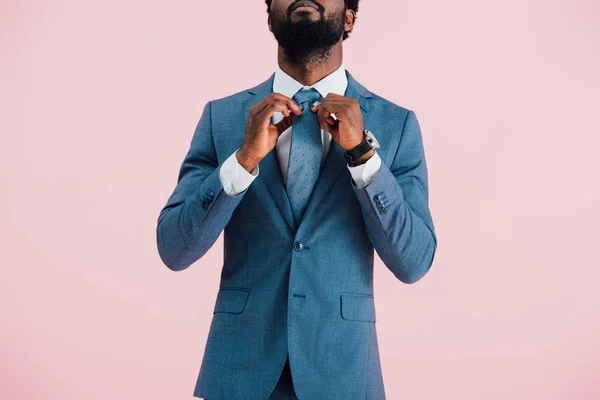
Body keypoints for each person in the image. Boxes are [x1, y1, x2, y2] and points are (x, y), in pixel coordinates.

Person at [156, 0, 438, 398]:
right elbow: (174, 248)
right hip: (238, 376)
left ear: (350, 17)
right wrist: (243, 160)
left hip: (343, 375)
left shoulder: (397, 124)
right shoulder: (222, 118)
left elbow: (414, 261)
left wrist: (362, 155)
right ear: (270, 15)